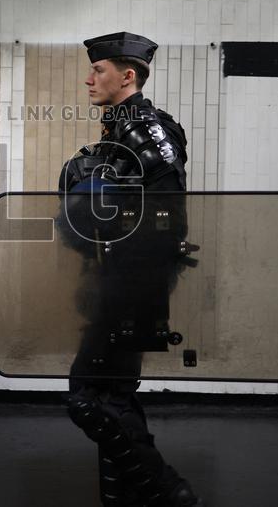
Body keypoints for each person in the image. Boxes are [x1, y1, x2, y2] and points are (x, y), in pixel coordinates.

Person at [58, 33, 202, 507]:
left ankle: (166, 490)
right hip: (116, 280)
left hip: (137, 283)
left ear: (128, 76)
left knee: (88, 396)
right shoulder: (117, 129)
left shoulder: (145, 129)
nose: (89, 77)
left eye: (98, 69)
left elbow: (167, 215)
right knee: (111, 397)